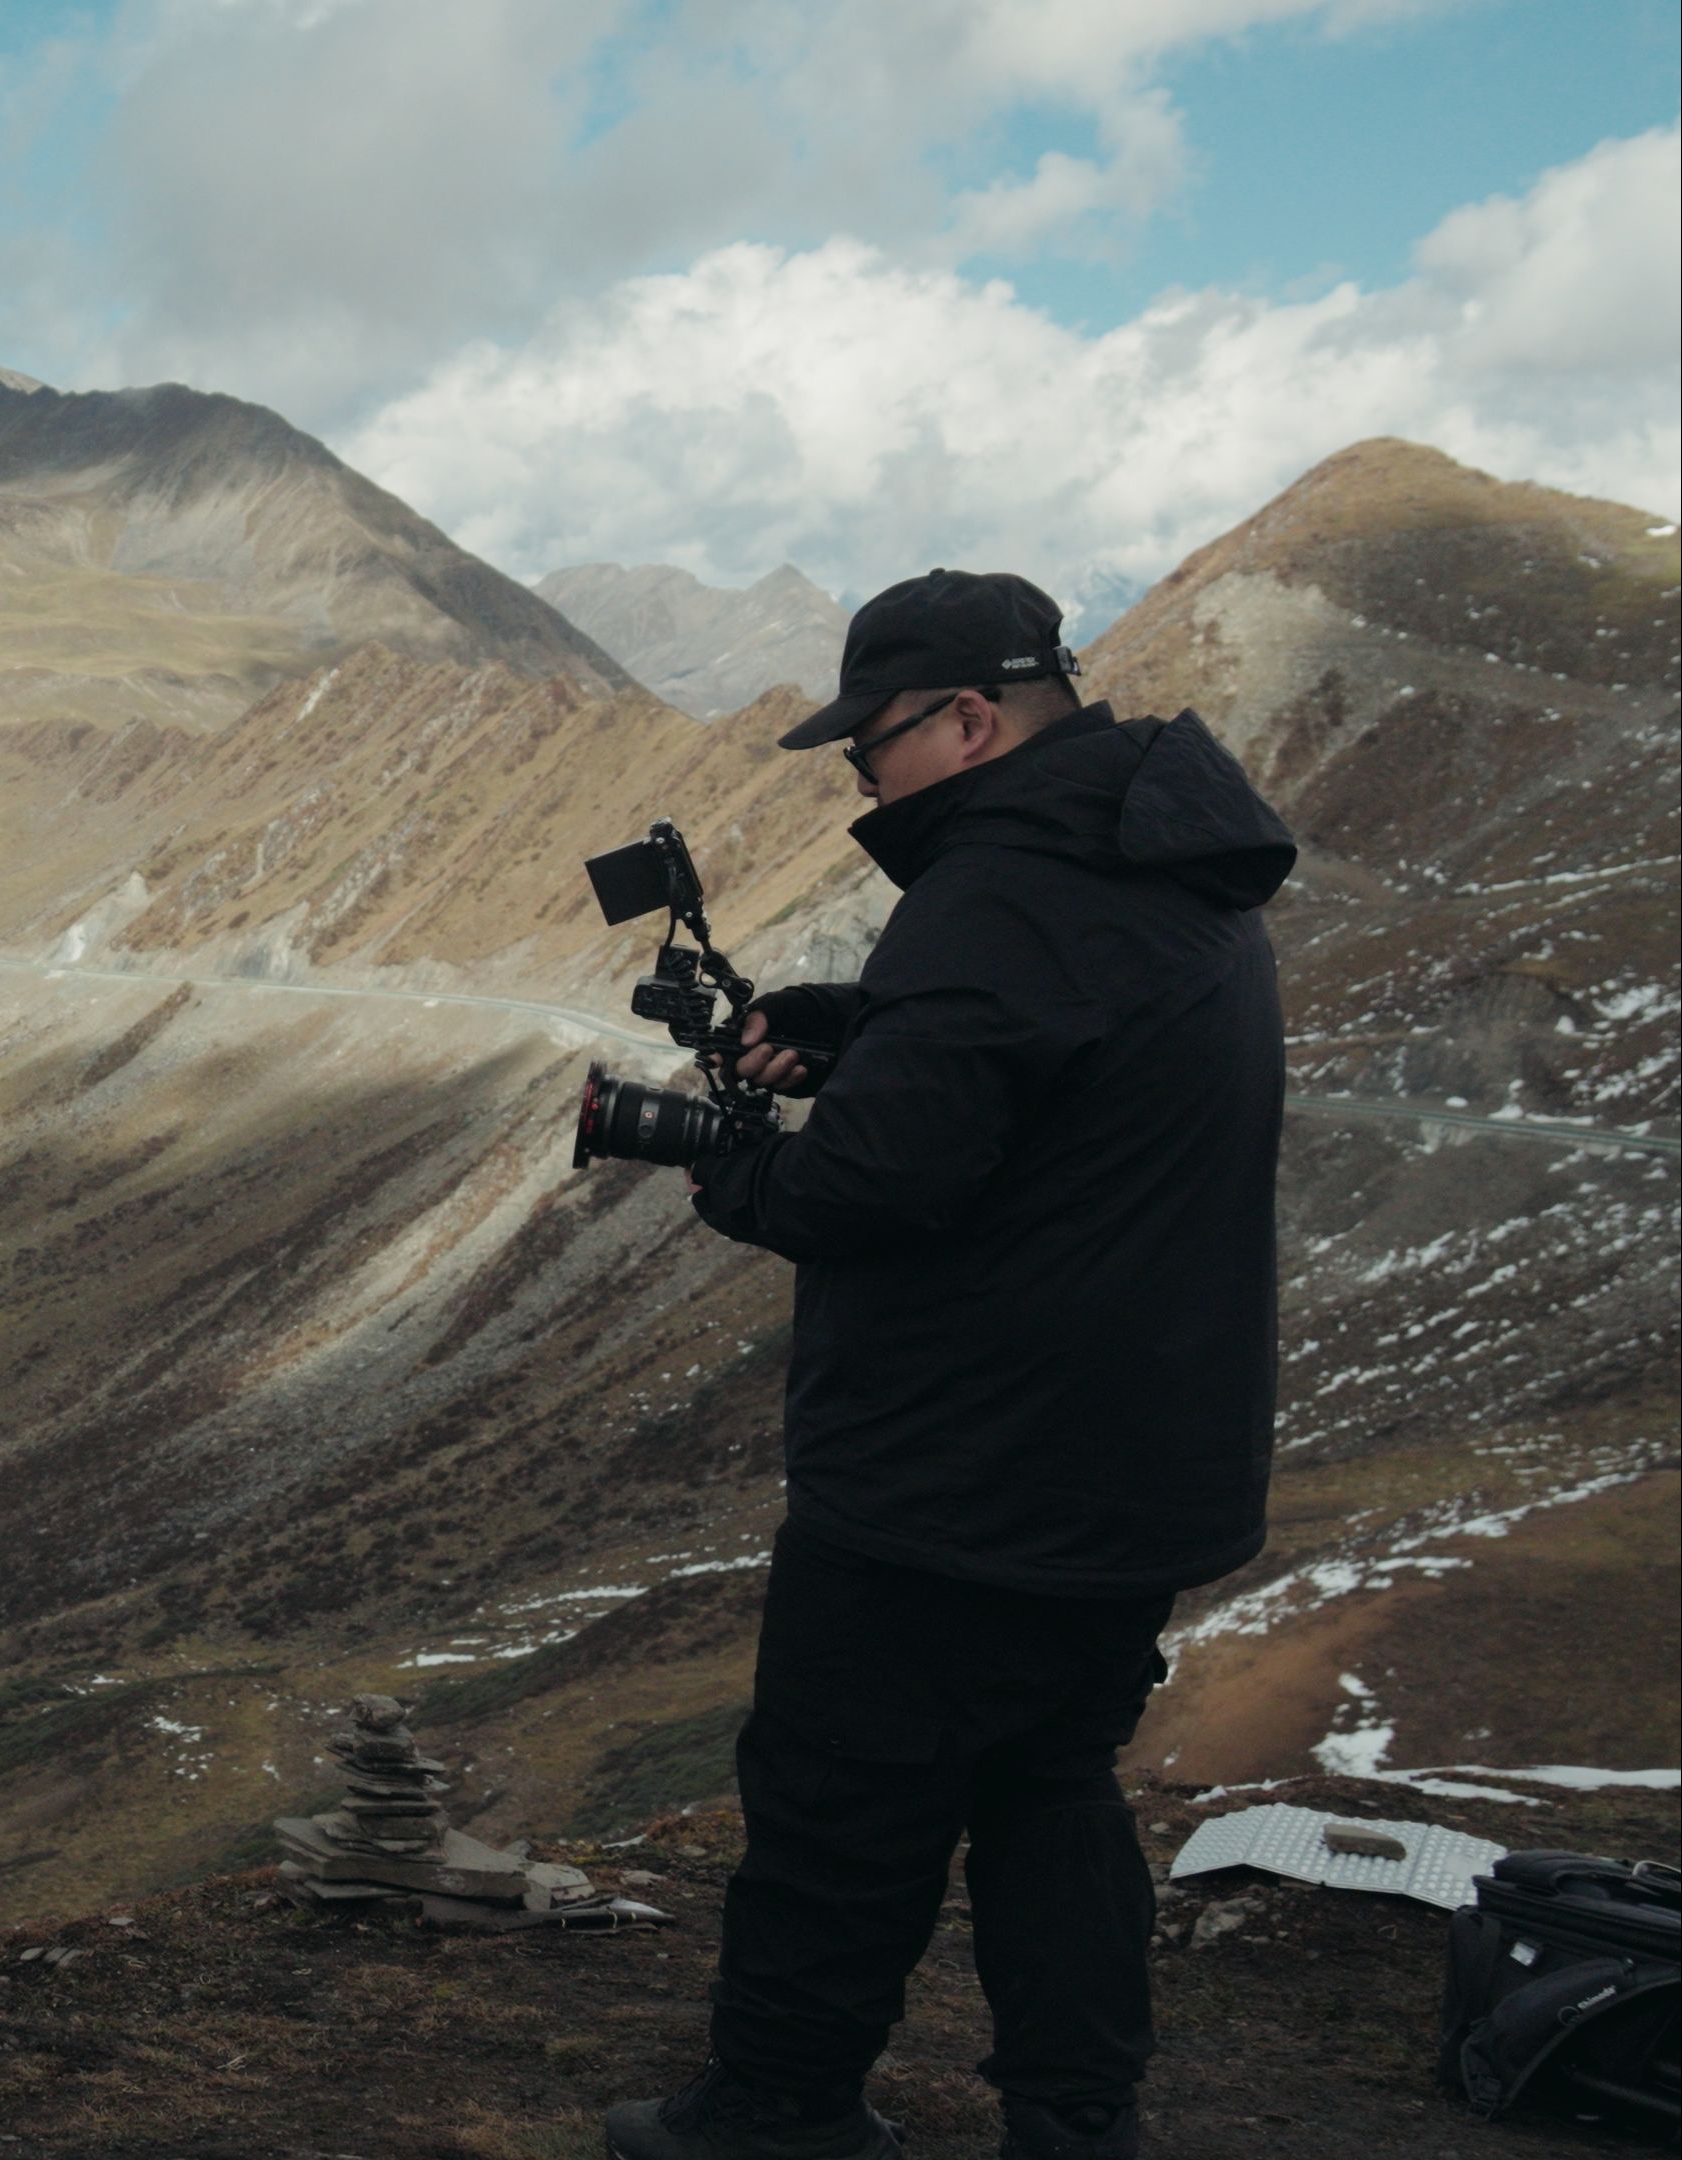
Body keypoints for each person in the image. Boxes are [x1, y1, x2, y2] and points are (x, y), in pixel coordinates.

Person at [603, 572, 1295, 2160]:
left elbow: (865, 1192)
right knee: (1047, 1783)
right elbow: (1056, 1063)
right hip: (1132, 1473)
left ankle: (777, 2111)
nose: (861, 782)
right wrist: (872, 1028)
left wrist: (725, 1161)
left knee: (839, 1795)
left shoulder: (999, 890)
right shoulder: (1159, 855)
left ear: (967, 720)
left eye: (871, 751)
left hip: (957, 1472)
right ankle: (1074, 2125)